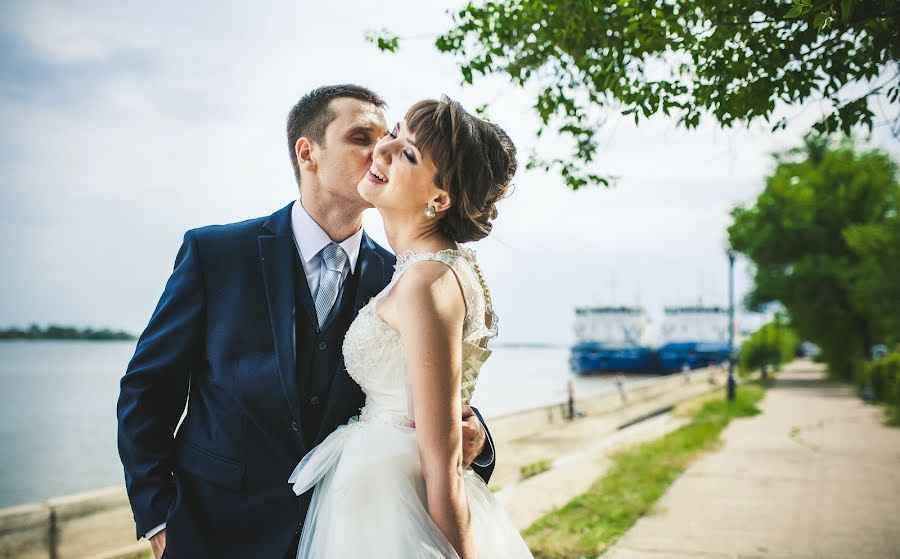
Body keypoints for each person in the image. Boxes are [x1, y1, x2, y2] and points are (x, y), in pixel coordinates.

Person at [116, 85, 495, 559]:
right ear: (307, 152)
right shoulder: (216, 254)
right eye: (363, 137)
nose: (381, 149)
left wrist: (477, 439)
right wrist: (157, 517)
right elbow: (146, 390)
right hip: (214, 531)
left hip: (349, 532)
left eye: (391, 138)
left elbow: (433, 399)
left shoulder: (400, 277)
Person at [288, 97, 532, 558]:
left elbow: (439, 464)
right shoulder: (431, 271)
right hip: (376, 496)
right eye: (394, 132)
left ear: (439, 199)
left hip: (398, 505)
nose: (383, 148)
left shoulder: (426, 282)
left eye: (408, 152)